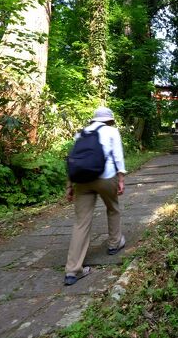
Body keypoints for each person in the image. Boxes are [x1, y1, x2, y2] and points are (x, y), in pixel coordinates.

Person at [63, 106, 127, 286]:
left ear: (94, 119)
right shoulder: (112, 131)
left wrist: (69, 185)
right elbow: (118, 157)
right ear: (110, 120)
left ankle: (72, 270)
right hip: (105, 178)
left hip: (82, 181)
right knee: (113, 208)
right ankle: (114, 244)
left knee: (81, 222)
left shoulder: (81, 133)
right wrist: (121, 179)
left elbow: (73, 159)